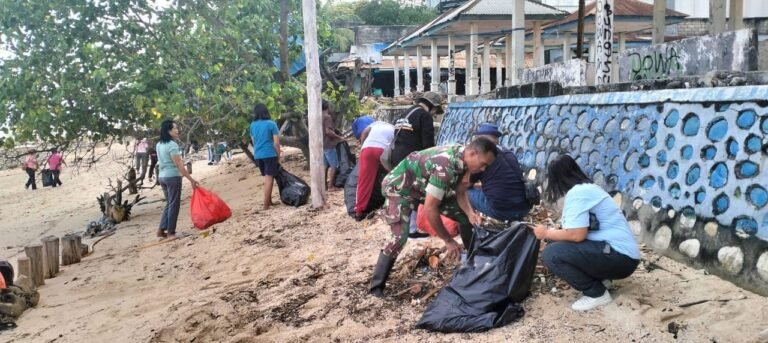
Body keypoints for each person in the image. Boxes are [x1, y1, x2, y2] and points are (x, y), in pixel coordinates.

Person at [369, 137, 498, 297]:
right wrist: (448, 241)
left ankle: (474, 265)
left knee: (464, 217)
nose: (484, 169)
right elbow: (431, 209)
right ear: (472, 153)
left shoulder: (463, 159)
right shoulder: (445, 166)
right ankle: (376, 288)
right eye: (483, 164)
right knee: (399, 237)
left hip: (421, 186)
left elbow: (460, 191)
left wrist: (471, 213)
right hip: (399, 188)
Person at [530, 155, 640, 311]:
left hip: (621, 257)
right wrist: (551, 235)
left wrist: (546, 232)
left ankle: (596, 293)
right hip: (621, 255)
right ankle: (602, 280)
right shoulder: (589, 188)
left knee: (552, 254)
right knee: (556, 244)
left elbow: (576, 235)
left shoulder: (578, 193)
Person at [389, 92, 441, 238]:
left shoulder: (404, 113)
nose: (435, 113)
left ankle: (400, 226)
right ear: (432, 106)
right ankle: (411, 229)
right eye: (436, 110)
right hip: (412, 159)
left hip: (396, 157)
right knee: (414, 193)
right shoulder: (424, 116)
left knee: (402, 192)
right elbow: (428, 145)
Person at [464, 123, 530, 221]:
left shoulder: (484, 158)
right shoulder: (509, 153)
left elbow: (467, 184)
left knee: (463, 193)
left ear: (480, 139)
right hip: (525, 208)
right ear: (496, 139)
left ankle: (471, 230)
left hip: (502, 211)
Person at [156, 120, 200, 239]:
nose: (177, 130)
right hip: (172, 177)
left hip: (162, 177)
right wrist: (191, 180)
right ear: (168, 131)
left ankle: (161, 229)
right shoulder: (172, 145)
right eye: (175, 128)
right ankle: (171, 232)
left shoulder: (159, 144)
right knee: (174, 204)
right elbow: (179, 165)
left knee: (169, 203)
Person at [354, 121, 394, 221]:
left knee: (364, 181)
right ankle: (391, 205)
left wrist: (363, 146)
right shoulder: (394, 128)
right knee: (392, 177)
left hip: (367, 149)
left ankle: (359, 211)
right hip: (383, 150)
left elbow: (364, 133)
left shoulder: (376, 123)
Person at [250, 103, 281, 210]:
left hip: (258, 155)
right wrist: (278, 155)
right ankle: (266, 205)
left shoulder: (252, 125)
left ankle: (269, 201)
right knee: (269, 178)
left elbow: (254, 141)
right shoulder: (271, 124)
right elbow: (276, 143)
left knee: (267, 177)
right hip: (269, 153)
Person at [322, 100, 345, 191]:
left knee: (325, 165)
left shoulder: (317, 116)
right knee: (334, 165)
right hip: (328, 144)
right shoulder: (327, 117)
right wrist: (338, 137)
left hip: (321, 144)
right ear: (327, 107)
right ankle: (331, 186)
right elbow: (328, 132)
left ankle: (324, 185)